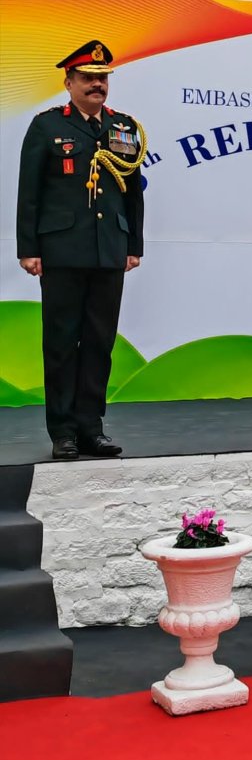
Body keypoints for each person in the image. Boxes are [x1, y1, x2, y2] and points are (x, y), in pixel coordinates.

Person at [16, 41, 146, 461]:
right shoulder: (46, 126)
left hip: (109, 251)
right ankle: (63, 432)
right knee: (60, 343)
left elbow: (132, 192)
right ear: (68, 81)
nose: (97, 85)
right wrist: (28, 248)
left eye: (102, 78)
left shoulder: (123, 128)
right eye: (88, 78)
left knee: (98, 343)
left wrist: (133, 244)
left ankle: (92, 428)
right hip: (61, 250)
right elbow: (29, 193)